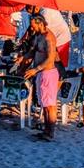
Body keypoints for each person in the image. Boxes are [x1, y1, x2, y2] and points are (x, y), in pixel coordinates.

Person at [22, 13, 59, 142]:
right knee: (44, 104)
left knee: (50, 105)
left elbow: (50, 59)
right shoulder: (39, 36)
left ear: (40, 23)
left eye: (33, 26)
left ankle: (50, 132)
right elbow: (33, 51)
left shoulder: (49, 38)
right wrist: (23, 57)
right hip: (41, 73)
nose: (32, 28)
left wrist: (35, 69)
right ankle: (46, 130)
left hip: (48, 73)